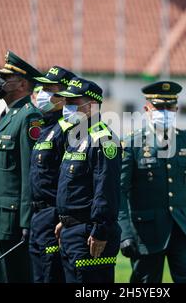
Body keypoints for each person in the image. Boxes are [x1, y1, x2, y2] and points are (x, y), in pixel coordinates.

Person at [118, 81, 186, 283]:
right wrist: (125, 233)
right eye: (159, 107)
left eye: (169, 107)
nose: (165, 112)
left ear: (176, 109)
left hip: (185, 229)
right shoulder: (132, 143)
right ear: (147, 109)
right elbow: (120, 191)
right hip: (147, 232)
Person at [0, 51, 43, 283]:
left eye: (6, 78)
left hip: (14, 221)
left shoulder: (29, 117)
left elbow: (30, 174)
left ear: (23, 84)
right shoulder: (8, 116)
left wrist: (26, 222)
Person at [55, 77, 121, 283]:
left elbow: (106, 188)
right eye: (66, 102)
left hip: (89, 236)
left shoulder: (104, 139)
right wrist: (65, 219)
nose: (67, 107)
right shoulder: (76, 138)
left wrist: (100, 230)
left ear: (92, 105)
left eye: (73, 103)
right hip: (71, 232)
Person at [28, 66, 76, 283]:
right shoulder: (46, 127)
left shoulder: (69, 130)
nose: (43, 94)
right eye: (42, 88)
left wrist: (61, 218)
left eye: (50, 89)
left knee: (51, 277)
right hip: (37, 217)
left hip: (53, 217)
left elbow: (70, 180)